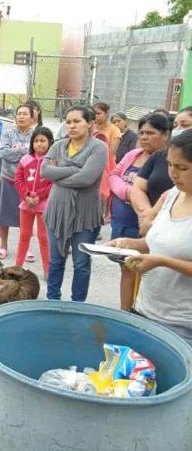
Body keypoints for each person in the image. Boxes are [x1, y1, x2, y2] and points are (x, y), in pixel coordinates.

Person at [108, 130, 192, 345]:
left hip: (182, 325)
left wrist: (161, 262)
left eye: (182, 168)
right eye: (170, 165)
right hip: (147, 310)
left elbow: (165, 255)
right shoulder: (174, 194)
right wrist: (129, 244)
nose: (173, 173)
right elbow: (160, 241)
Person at [41, 105, 109, 301]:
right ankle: (53, 300)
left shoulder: (98, 147)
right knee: (56, 261)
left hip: (85, 215)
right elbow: (44, 171)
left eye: (77, 121)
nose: (71, 125)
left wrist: (59, 175)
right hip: (56, 211)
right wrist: (74, 169)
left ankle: (77, 304)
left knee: (81, 263)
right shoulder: (58, 146)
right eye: (68, 121)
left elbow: (87, 179)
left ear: (89, 123)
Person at [108, 112, 170, 310]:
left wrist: (146, 215)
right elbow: (114, 176)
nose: (144, 137)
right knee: (127, 267)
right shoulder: (133, 155)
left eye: (150, 133)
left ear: (166, 134)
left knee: (148, 269)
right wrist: (127, 192)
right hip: (124, 219)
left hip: (151, 225)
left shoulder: (167, 161)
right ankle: (126, 311)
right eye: (141, 132)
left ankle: (142, 310)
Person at [0, 104, 34, 259]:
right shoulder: (7, 133)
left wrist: (16, 153)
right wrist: (26, 155)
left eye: (25, 114)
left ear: (32, 118)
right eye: (19, 114)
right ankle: (3, 245)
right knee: (3, 213)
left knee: (27, 216)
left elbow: (39, 153)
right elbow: (3, 153)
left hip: (28, 183)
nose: (22, 117)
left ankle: (26, 247)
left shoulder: (35, 135)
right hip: (8, 179)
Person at [14, 126, 54, 278]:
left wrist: (39, 196)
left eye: (43, 141)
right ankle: (18, 267)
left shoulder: (52, 162)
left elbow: (53, 183)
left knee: (44, 238)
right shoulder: (25, 159)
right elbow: (18, 180)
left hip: (43, 205)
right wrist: (26, 196)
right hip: (26, 204)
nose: (39, 144)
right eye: (36, 141)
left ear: (50, 142)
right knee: (24, 235)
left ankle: (47, 270)